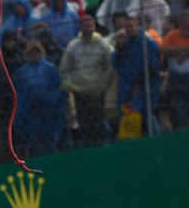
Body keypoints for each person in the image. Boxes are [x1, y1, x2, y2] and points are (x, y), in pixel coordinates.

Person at [59, 14, 115, 146]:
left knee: (98, 123)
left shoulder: (102, 45)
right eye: (85, 26)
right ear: (80, 28)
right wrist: (72, 86)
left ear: (95, 27)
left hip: (98, 93)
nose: (88, 29)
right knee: (84, 124)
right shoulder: (73, 46)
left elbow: (110, 66)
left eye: (91, 26)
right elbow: (65, 68)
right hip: (80, 94)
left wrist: (103, 84)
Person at [12, 41, 67, 158]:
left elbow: (59, 91)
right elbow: (19, 95)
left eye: (37, 51)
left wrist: (53, 105)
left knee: (51, 149)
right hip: (31, 117)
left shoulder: (50, 68)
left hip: (49, 115)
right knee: (36, 151)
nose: (34, 54)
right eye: (31, 52)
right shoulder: (21, 73)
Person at [111, 14, 161, 137]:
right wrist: (120, 48)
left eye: (131, 26)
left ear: (138, 26)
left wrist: (139, 85)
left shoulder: (147, 43)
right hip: (126, 89)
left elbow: (153, 68)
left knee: (148, 119)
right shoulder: (124, 44)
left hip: (144, 90)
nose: (128, 29)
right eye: (126, 27)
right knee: (129, 121)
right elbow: (115, 63)